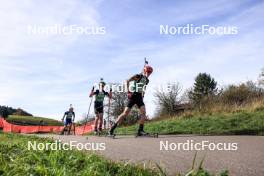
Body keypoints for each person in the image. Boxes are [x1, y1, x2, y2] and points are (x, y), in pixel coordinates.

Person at [108, 64, 153, 136]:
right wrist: (128, 92)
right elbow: (127, 81)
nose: (148, 74)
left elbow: (144, 88)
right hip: (133, 95)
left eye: (150, 73)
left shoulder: (147, 80)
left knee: (143, 113)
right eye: (147, 72)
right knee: (125, 113)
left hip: (139, 97)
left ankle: (140, 131)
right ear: (144, 71)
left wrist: (143, 95)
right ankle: (111, 129)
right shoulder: (138, 76)